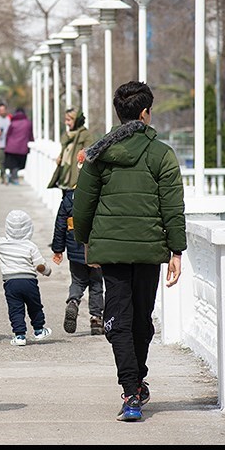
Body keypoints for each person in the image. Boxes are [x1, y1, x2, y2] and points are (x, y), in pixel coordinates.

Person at [73, 81, 186, 422]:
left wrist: (87, 241)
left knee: (117, 319)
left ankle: (130, 391)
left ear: (118, 113)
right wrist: (176, 251)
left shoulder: (98, 153)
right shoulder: (161, 153)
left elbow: (83, 204)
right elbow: (173, 206)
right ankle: (137, 382)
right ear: (145, 113)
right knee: (141, 318)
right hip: (150, 250)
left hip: (112, 251)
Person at [48, 108, 104, 335]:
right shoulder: (101, 197)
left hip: (74, 246)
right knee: (97, 285)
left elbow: (60, 222)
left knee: (78, 280)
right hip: (96, 248)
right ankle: (96, 319)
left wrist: (58, 248)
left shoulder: (69, 198)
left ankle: (73, 301)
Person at [0, 209, 53, 346]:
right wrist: (48, 271)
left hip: (10, 283)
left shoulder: (1, 243)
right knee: (35, 306)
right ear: (29, 229)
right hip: (29, 282)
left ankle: (20, 335)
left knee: (15, 308)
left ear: (8, 228)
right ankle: (39, 330)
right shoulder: (30, 246)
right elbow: (40, 265)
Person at [3, 107, 33, 185]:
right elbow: (30, 135)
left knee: (11, 164)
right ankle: (14, 178)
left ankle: (11, 176)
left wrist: (6, 145)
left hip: (11, 147)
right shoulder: (28, 123)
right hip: (22, 148)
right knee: (20, 164)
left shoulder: (12, 123)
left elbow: (8, 135)